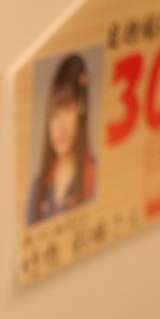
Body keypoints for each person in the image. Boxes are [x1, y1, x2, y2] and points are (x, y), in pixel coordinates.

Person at [27, 54, 96, 225]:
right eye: (54, 115)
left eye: (67, 110)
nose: (60, 126)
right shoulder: (38, 190)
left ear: (81, 111)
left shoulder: (94, 178)